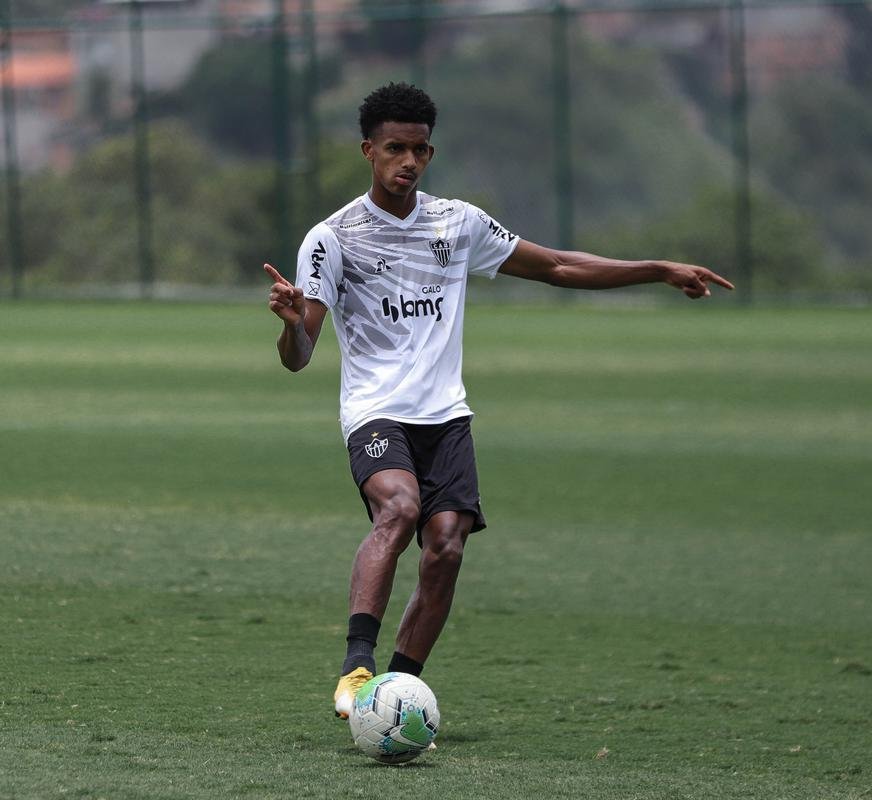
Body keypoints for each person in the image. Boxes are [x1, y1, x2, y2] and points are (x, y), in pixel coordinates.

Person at [264, 82, 733, 720]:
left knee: (448, 544)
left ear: (430, 153)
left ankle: (396, 694)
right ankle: (356, 667)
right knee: (398, 510)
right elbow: (301, 354)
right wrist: (293, 323)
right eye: (394, 148)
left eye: (419, 150)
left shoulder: (457, 222)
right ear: (368, 150)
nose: (407, 161)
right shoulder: (332, 238)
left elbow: (558, 267)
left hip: (447, 415)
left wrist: (657, 268)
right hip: (376, 409)